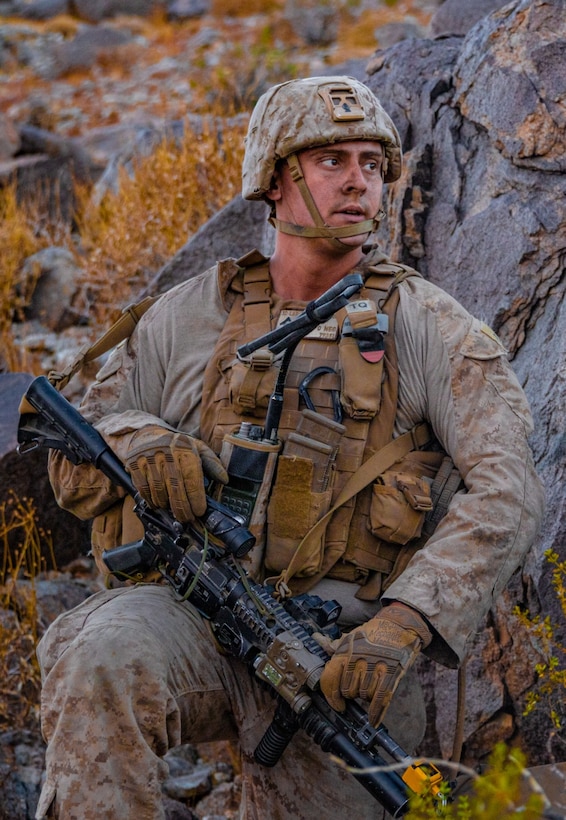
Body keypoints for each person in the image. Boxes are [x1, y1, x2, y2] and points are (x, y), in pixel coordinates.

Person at [34, 76, 544, 820]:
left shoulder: (430, 326)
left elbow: (510, 490)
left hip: (338, 664)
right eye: (332, 160)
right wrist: (138, 442)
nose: (359, 182)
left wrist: (402, 626)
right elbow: (71, 452)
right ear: (275, 180)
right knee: (99, 654)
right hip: (194, 621)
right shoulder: (187, 316)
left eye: (372, 164)